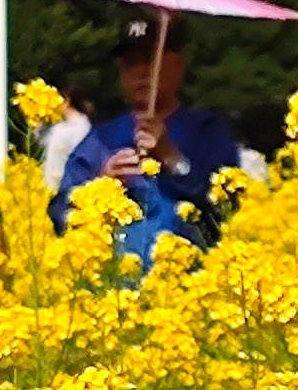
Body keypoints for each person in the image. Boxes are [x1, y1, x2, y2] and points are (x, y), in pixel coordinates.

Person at [53, 17, 248, 261]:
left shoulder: (206, 130)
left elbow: (226, 209)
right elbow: (61, 214)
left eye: (151, 59)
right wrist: (102, 187)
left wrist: (172, 158)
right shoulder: (101, 139)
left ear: (177, 66)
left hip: (191, 285)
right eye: (131, 63)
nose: (142, 71)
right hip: (114, 288)